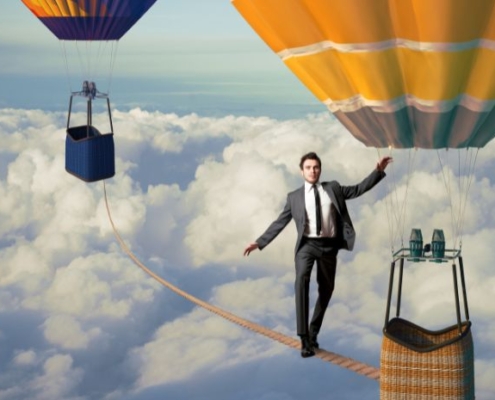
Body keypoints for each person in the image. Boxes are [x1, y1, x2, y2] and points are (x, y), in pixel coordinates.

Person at [243, 152, 392, 358]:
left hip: (329, 247)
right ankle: (304, 338)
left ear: (320, 170)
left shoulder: (333, 188)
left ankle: (313, 333)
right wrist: (259, 242)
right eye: (308, 167)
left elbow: (358, 189)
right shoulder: (293, 197)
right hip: (307, 246)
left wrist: (378, 171)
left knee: (327, 289)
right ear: (301, 171)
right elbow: (280, 222)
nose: (312, 171)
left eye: (316, 167)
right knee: (301, 280)